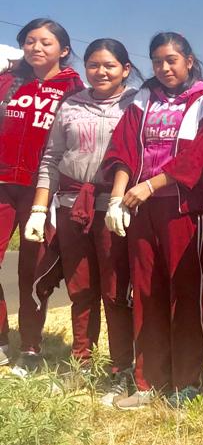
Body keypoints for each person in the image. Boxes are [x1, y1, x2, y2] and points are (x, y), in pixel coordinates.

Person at [103, 32, 203, 410]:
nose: (164, 68)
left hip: (181, 211)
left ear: (189, 60)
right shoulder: (141, 99)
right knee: (145, 293)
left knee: (184, 295)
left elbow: (199, 154)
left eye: (172, 60)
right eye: (157, 61)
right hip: (140, 209)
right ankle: (147, 380)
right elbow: (123, 148)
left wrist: (151, 186)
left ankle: (186, 382)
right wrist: (118, 199)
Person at [26, 39, 136, 397]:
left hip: (114, 208)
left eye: (109, 66)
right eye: (93, 65)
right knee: (81, 288)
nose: (101, 72)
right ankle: (81, 363)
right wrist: (40, 209)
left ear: (126, 70)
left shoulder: (136, 104)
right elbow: (51, 158)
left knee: (114, 291)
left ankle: (122, 366)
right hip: (71, 206)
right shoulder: (70, 105)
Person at [0, 19, 83, 374]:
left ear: (63, 50)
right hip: (3, 183)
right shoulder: (7, 81)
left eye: (45, 42)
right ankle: (2, 339)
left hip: (44, 190)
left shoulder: (74, 88)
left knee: (32, 270)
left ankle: (31, 348)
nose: (36, 47)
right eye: (30, 41)